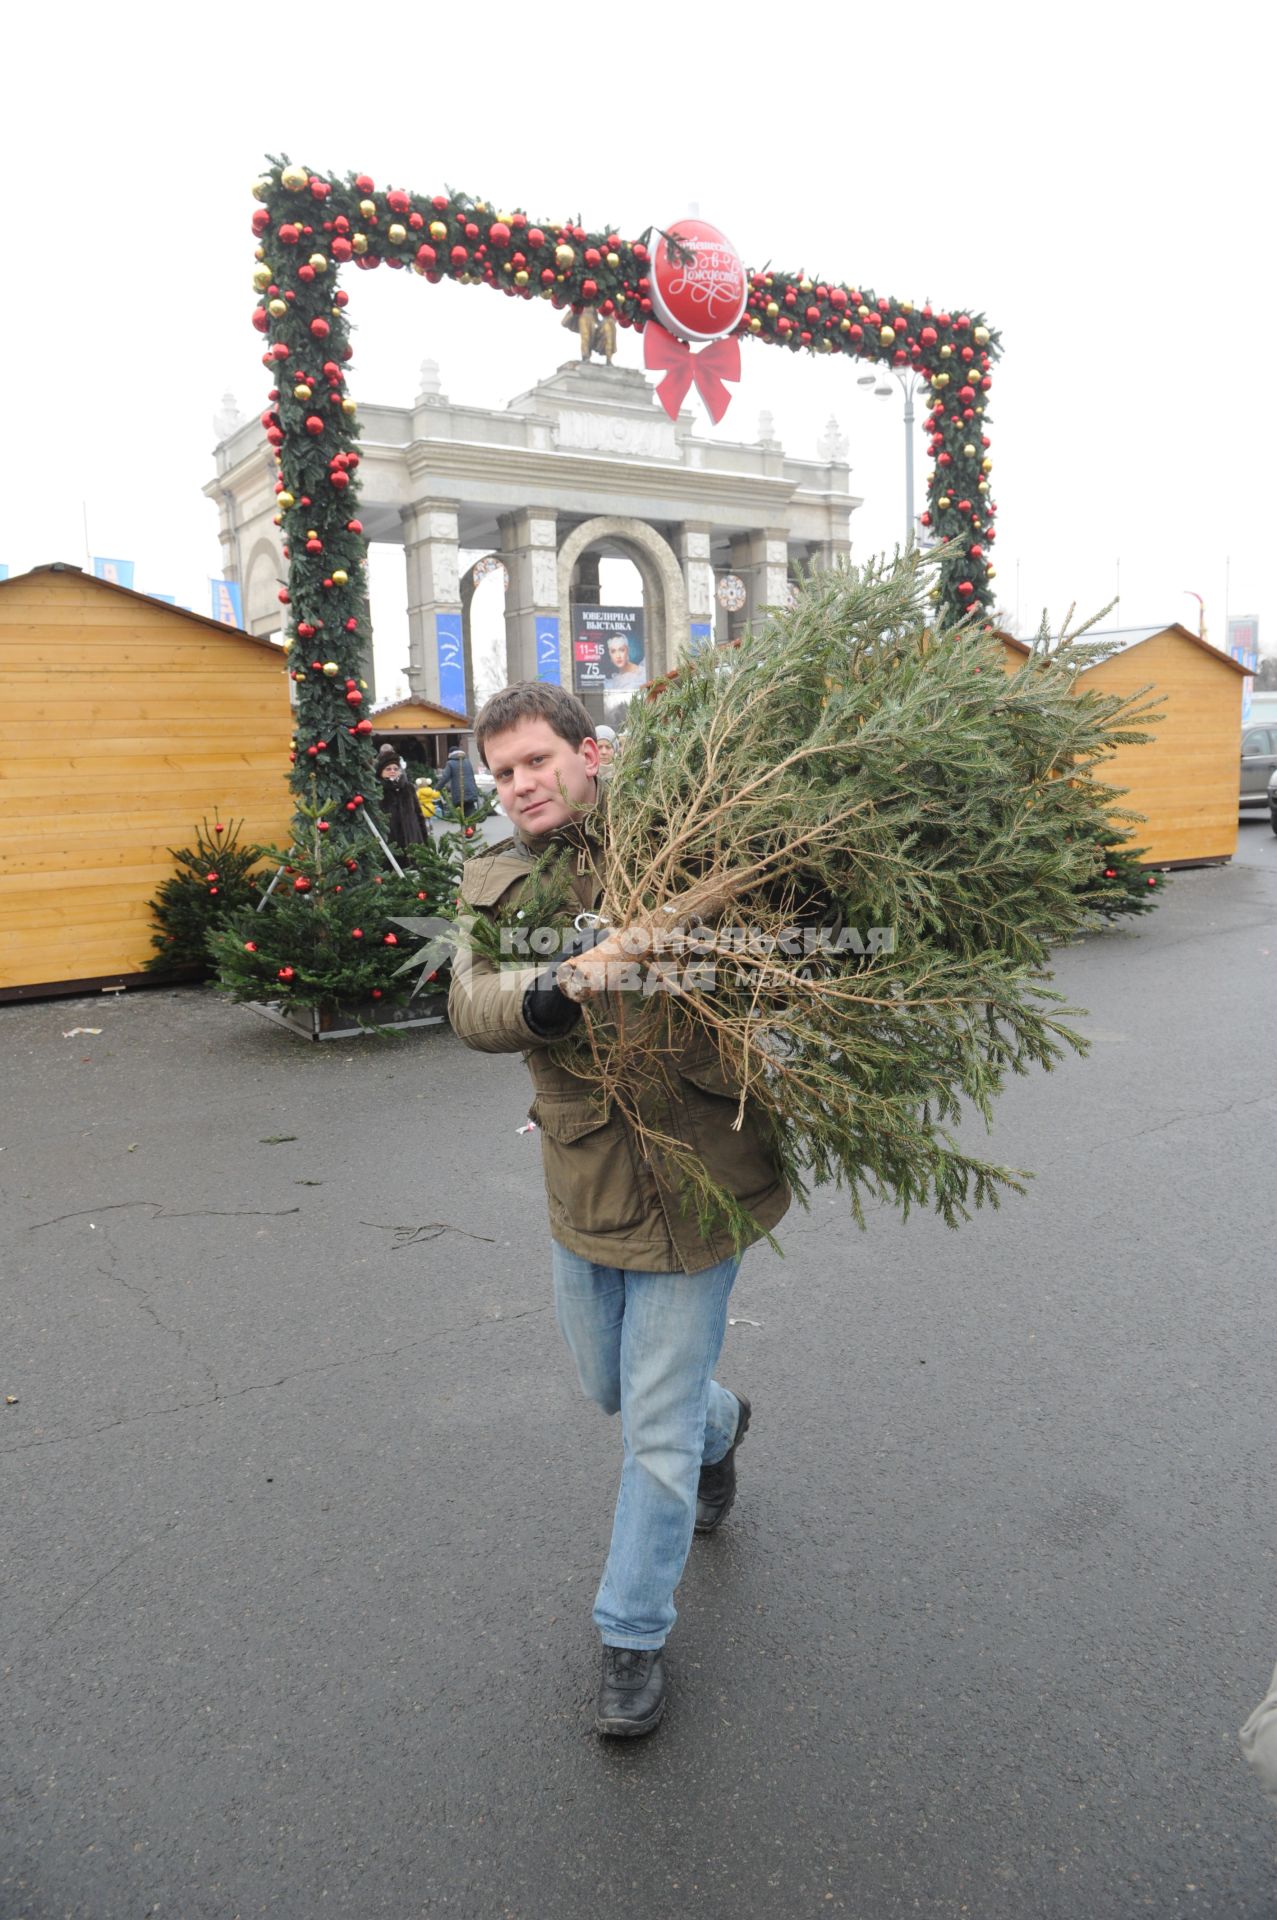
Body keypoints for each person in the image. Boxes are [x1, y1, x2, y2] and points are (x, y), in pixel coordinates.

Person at [447, 682, 789, 1739]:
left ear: (588, 752)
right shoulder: (493, 876)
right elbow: (470, 999)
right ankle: (719, 1426)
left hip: (699, 1169)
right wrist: (543, 992)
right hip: (585, 1174)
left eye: (537, 761)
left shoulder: (674, 835)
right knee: (614, 1388)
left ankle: (630, 1634)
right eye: (502, 772)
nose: (521, 786)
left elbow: (777, 937)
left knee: (648, 1429)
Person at [376, 743, 426, 847]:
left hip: (413, 844)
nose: (392, 771)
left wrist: (425, 841)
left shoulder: (408, 788)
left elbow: (419, 816)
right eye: (388, 769)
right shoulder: (377, 791)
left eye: (395, 769)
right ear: (381, 772)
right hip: (389, 847)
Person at [441, 746, 481, 813]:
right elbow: (472, 777)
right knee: (470, 811)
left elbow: (445, 777)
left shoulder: (450, 763)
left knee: (461, 814)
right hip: (471, 791)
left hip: (458, 793)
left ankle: (466, 823)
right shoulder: (468, 762)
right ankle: (471, 823)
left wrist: (436, 788)